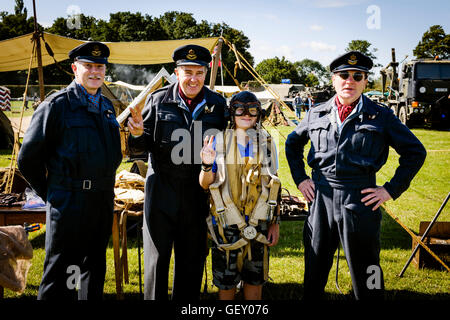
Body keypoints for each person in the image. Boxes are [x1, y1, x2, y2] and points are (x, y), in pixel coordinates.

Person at [285, 51, 427, 300]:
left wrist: (390, 190)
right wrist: (300, 178)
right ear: (333, 80)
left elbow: (415, 152)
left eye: (357, 76)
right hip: (321, 197)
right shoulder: (316, 113)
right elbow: (292, 144)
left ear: (364, 81)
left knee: (367, 269)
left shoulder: (381, 116)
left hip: (359, 198)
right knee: (315, 267)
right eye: (343, 75)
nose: (349, 81)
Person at [17, 41, 123, 300]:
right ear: (75, 68)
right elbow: (27, 159)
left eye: (100, 66)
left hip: (100, 199)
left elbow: (113, 155)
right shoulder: (57, 105)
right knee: (60, 273)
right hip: (69, 201)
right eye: (89, 66)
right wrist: (52, 193)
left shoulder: (107, 108)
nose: (95, 72)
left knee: (94, 270)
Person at [127, 44, 227, 300]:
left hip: (196, 192)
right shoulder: (158, 100)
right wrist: (137, 134)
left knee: (192, 260)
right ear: (177, 72)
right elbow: (140, 147)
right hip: (161, 188)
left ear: (206, 72)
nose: (193, 78)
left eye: (199, 72)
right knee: (156, 260)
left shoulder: (217, 105)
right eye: (187, 71)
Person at [199, 91, 281, 300]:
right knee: (226, 287)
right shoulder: (218, 142)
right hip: (226, 225)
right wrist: (207, 165)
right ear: (231, 113)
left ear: (259, 114)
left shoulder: (267, 143)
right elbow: (205, 184)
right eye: (240, 110)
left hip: (259, 225)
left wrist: (275, 223)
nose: (246, 115)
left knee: (254, 286)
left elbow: (274, 185)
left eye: (252, 110)